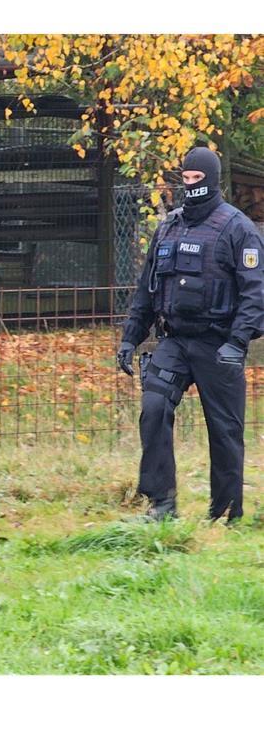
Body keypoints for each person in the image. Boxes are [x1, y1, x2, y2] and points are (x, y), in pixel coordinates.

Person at [116, 146, 264, 523]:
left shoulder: (238, 229)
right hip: (175, 341)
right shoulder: (169, 226)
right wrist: (131, 337)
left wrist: (238, 342)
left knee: (225, 431)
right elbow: (147, 289)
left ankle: (226, 514)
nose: (190, 184)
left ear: (212, 181)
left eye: (197, 178)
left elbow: (255, 293)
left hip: (219, 346)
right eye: (185, 177)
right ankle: (161, 505)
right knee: (153, 409)